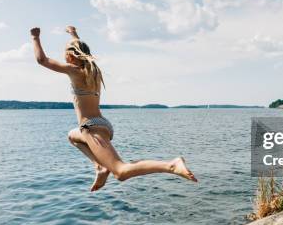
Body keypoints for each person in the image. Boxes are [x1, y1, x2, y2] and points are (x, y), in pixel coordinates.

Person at [30, 26, 197, 192]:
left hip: (91, 128)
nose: (63, 55)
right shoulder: (93, 71)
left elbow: (42, 60)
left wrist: (35, 37)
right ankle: (100, 167)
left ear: (71, 56)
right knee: (72, 136)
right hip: (101, 124)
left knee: (121, 172)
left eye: (65, 52)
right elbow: (79, 47)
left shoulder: (75, 71)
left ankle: (171, 165)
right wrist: (73, 34)